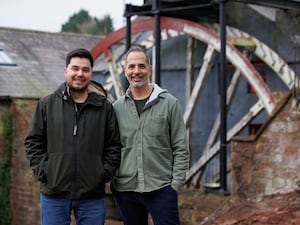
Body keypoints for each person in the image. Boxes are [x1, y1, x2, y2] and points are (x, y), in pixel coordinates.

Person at [24, 48, 122, 225]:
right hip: (54, 193)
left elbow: (114, 146)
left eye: (85, 70)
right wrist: (45, 171)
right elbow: (33, 142)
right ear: (66, 71)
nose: (80, 74)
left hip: (92, 196)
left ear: (91, 72)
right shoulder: (47, 104)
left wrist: (102, 173)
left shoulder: (104, 108)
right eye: (75, 68)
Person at [111, 46, 190, 225]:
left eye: (141, 66)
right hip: (126, 190)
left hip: (161, 188)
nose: (136, 71)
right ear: (125, 70)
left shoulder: (169, 103)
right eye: (131, 67)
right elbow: (111, 148)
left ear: (149, 68)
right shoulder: (117, 108)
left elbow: (181, 147)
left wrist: (174, 186)